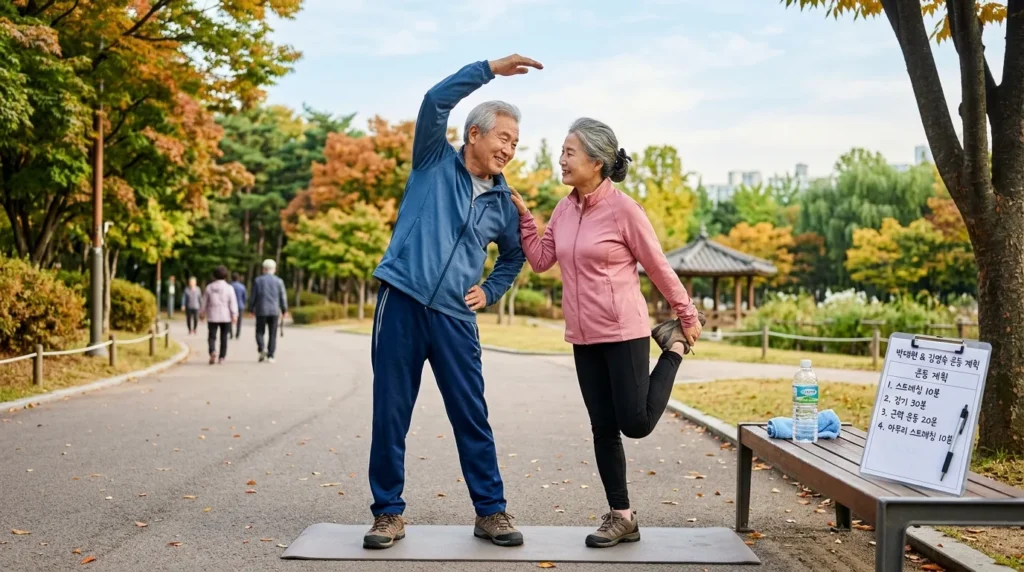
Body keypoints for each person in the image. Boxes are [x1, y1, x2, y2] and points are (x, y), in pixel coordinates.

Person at [363, 54, 540, 550]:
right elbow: (433, 101)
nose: (509, 149)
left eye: (516, 143)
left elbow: (513, 255)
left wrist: (491, 288)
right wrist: (487, 68)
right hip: (401, 300)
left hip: (456, 317)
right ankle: (388, 513)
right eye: (504, 138)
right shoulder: (433, 160)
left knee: (471, 414)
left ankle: (491, 512)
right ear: (475, 135)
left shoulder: (504, 202)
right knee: (391, 412)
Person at [510, 117, 705, 548]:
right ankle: (622, 516)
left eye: (569, 153)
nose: (560, 160)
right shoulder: (564, 208)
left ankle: (671, 348)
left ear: (596, 162)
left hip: (623, 332)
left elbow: (658, 266)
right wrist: (526, 217)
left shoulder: (624, 210)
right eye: (561, 151)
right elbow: (543, 260)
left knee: (634, 423)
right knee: (603, 426)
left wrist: (686, 316)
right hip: (583, 335)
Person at [250, 259, 288, 363]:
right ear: (274, 269)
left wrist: (251, 308)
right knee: (272, 333)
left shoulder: (258, 280)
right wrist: (284, 309)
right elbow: (283, 296)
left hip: (261, 310)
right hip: (274, 311)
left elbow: (254, 296)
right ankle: (271, 355)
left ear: (264, 269)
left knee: (259, 331)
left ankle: (262, 349)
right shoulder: (279, 281)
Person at [200, 265, 238, 365]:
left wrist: (202, 313)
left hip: (213, 315)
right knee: (224, 337)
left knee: (212, 336)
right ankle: (222, 357)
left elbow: (204, 302)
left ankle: (212, 351)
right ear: (226, 275)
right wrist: (234, 314)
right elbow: (232, 302)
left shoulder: (209, 287)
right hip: (226, 316)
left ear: (214, 275)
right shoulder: (229, 288)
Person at [230, 272, 248, 339]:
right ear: (238, 278)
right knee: (239, 321)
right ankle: (237, 334)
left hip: (231, 306)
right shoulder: (242, 286)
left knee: (230, 320)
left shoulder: (230, 286)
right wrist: (244, 303)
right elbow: (245, 297)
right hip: (240, 305)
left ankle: (231, 333)